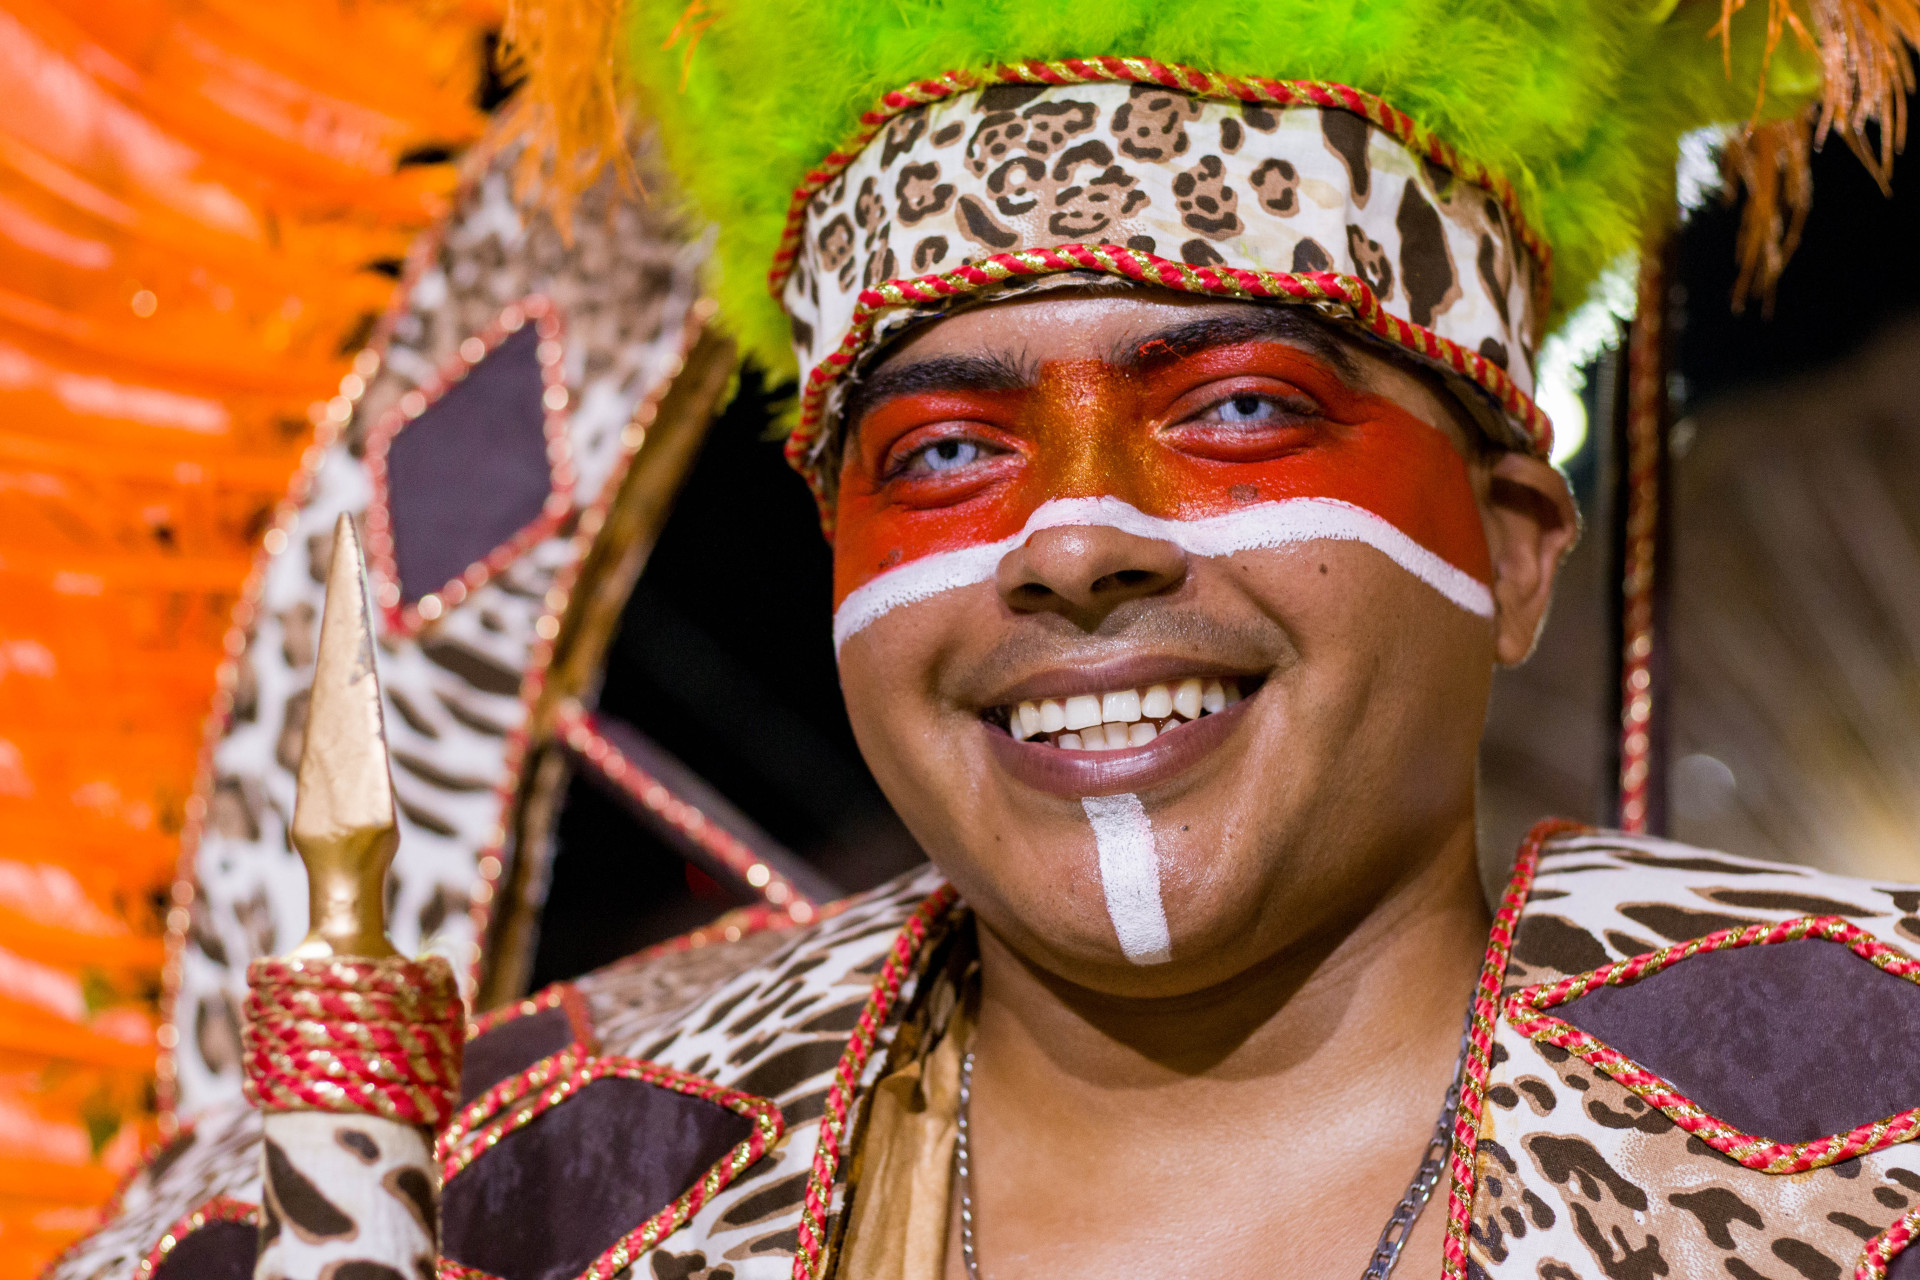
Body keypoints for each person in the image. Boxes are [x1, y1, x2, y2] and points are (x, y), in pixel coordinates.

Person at [50, 3, 1920, 1279]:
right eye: (947, 451)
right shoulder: (521, 1193)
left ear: (1511, 544)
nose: (1075, 537)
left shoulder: (1855, 1127)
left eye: (1240, 412)